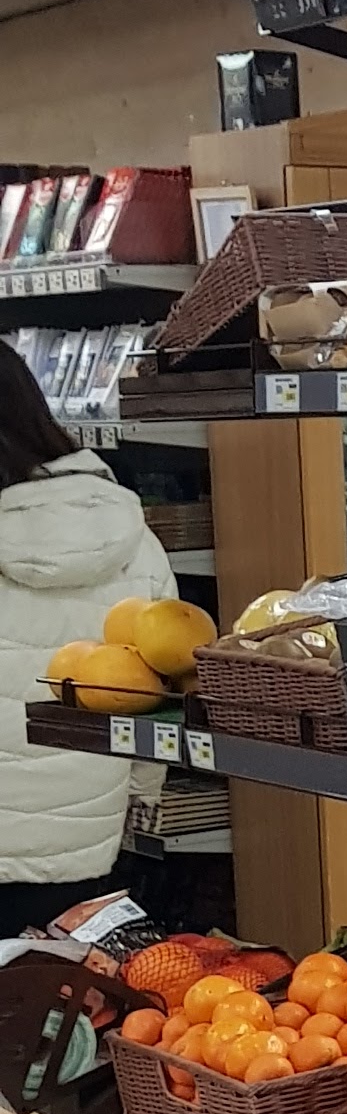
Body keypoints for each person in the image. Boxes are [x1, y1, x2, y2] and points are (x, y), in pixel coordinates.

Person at [0, 343, 173, 925]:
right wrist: (138, 803)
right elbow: (157, 697)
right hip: (88, 845)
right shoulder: (134, 540)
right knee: (55, 982)